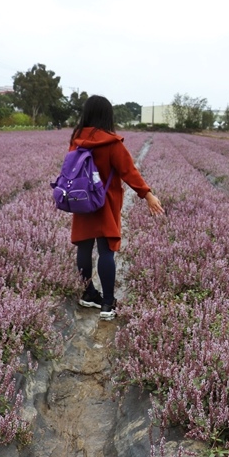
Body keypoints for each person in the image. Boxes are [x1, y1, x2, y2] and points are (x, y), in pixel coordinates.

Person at [68, 95, 165, 320]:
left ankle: (88, 294)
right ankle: (107, 305)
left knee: (83, 248)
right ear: (107, 115)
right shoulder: (111, 142)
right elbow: (129, 171)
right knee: (106, 251)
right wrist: (147, 194)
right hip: (104, 203)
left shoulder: (76, 139)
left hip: (81, 200)